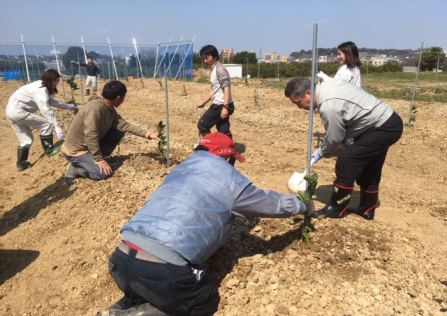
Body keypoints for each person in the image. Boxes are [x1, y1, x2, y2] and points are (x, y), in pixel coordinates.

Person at [98, 132, 314, 316]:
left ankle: (121, 306)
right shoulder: (229, 180)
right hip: (163, 271)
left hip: (121, 260)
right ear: (229, 159)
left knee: (145, 289)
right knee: (204, 303)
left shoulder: (180, 169)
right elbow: (271, 204)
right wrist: (303, 205)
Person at [285, 76, 403, 220]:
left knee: (347, 160)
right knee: (370, 165)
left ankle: (335, 209)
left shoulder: (328, 106)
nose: (299, 107)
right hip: (386, 120)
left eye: (298, 102)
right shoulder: (329, 85)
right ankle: (367, 208)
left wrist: (321, 151)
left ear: (308, 92)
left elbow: (335, 137)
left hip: (382, 127)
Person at [61, 80, 160, 185]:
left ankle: (90, 161)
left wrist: (147, 134)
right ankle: (76, 168)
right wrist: (99, 160)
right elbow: (90, 136)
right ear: (118, 98)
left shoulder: (109, 108)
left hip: (87, 147)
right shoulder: (94, 109)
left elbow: (124, 125)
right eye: (123, 97)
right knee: (102, 174)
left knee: (117, 132)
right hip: (76, 151)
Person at [5, 69, 78, 172]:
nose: (57, 83)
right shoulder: (40, 88)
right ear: (49, 79)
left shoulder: (42, 87)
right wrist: (56, 126)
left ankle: (21, 163)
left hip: (11, 111)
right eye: (55, 80)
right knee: (46, 124)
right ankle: (50, 150)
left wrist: (68, 107)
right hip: (18, 111)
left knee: (27, 139)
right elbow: (45, 108)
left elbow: (52, 102)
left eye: (58, 80)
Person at [197, 45, 235, 141]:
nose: (205, 60)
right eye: (204, 58)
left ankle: (212, 147)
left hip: (220, 105)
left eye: (207, 57)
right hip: (222, 104)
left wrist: (225, 107)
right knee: (223, 130)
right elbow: (214, 89)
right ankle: (228, 152)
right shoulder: (214, 68)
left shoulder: (219, 69)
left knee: (202, 125)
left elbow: (226, 88)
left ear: (215, 56)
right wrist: (203, 102)